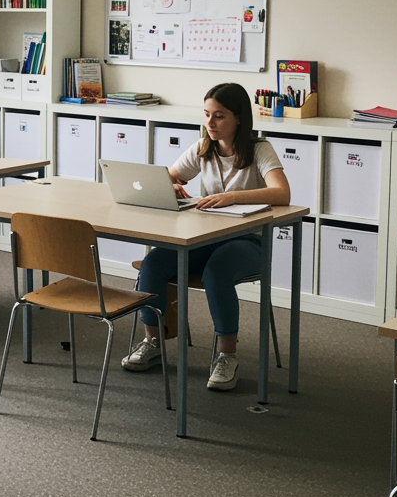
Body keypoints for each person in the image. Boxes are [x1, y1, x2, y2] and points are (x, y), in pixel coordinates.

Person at [122, 82, 290, 391]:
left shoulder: (259, 149)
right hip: (207, 236)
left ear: (238, 118)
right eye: (207, 115)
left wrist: (234, 197)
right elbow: (170, 175)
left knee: (217, 273)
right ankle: (153, 342)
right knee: (154, 263)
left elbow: (281, 192)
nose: (210, 124)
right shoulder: (203, 147)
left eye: (219, 116)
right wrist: (170, 184)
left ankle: (227, 356)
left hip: (248, 241)